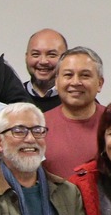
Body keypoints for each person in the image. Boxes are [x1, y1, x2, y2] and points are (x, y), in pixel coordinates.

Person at [42, 46, 106, 180]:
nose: (76, 82)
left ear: (100, 83)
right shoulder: (38, 127)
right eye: (68, 75)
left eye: (85, 75)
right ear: (56, 82)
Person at [19, 28, 68, 111]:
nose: (43, 61)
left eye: (51, 55)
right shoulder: (12, 98)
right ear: (26, 57)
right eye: (35, 54)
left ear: (66, 58)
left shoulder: (77, 101)